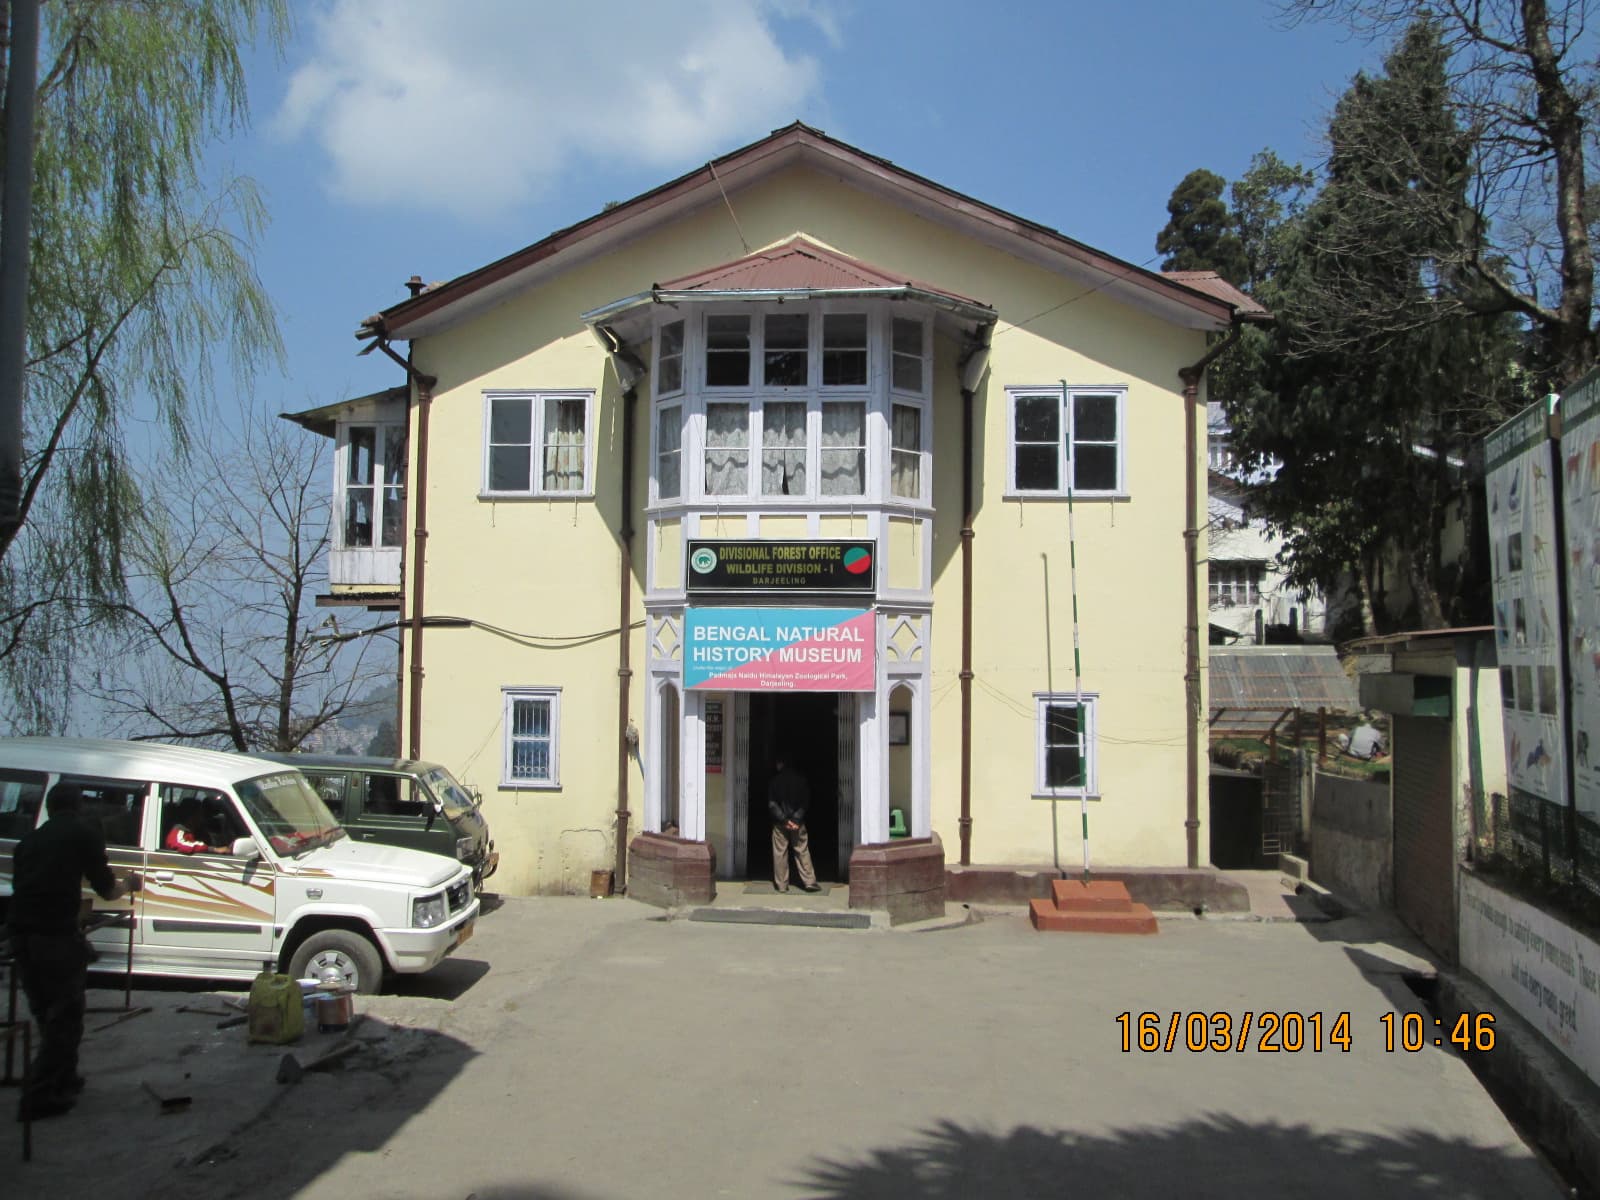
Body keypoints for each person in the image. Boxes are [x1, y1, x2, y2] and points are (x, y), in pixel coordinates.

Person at [7, 783, 141, 1122]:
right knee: (65, 1017)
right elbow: (107, 889)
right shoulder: (83, 835)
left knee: (46, 1011)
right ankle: (39, 1095)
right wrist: (130, 884)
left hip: (21, 935)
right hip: (54, 936)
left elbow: (27, 889)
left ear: (50, 808)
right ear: (79, 806)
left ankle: (64, 1079)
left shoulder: (29, 841)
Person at [767, 757, 820, 893]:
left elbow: (772, 804)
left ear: (782, 764)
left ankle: (782, 885)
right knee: (802, 850)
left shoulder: (775, 781)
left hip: (780, 824)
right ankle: (809, 881)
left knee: (780, 853)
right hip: (798, 823)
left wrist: (784, 820)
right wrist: (796, 819)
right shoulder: (801, 780)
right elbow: (805, 801)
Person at [163, 797, 227, 854]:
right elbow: (180, 844)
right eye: (199, 813)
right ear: (191, 816)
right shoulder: (177, 831)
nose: (202, 817)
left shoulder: (199, 831)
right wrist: (213, 849)